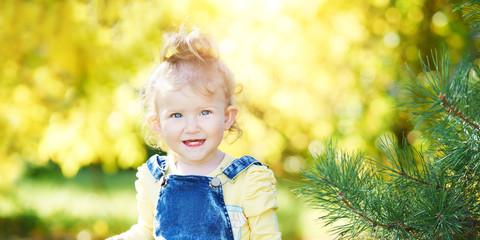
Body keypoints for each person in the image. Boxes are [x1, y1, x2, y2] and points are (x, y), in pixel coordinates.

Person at [107, 26, 281, 240]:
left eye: (204, 112)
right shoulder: (153, 178)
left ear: (227, 117)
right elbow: (147, 231)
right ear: (158, 124)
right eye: (177, 115)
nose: (191, 127)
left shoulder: (247, 181)